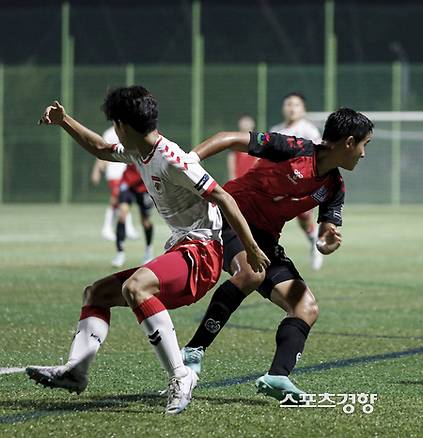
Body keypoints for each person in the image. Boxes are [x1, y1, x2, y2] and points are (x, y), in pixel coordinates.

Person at [29, 86, 269, 415]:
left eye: (114, 124)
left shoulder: (172, 159)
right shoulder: (137, 150)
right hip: (183, 248)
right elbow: (100, 148)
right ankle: (75, 371)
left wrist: (251, 248)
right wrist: (64, 120)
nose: (113, 131)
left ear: (123, 126)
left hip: (202, 252)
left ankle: (181, 376)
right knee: (96, 293)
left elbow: (223, 198)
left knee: (135, 287)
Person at [179, 108, 374, 402]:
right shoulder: (294, 148)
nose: (363, 154)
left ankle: (277, 377)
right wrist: (189, 163)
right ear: (348, 142)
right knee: (251, 273)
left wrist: (326, 243)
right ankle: (193, 351)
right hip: (229, 219)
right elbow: (228, 138)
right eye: (364, 145)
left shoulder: (334, 187)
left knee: (305, 307)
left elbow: (326, 232)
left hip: (266, 240)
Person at [270, 93, 325, 271]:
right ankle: (267, 251)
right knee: (268, 216)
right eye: (288, 104)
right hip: (278, 182)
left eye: (296, 104)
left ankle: (314, 241)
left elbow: (317, 156)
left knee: (303, 215)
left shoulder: (308, 130)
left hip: (301, 181)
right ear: (283, 108)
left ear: (303, 109)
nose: (292, 108)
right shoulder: (276, 129)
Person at [90, 127, 138, 241]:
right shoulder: (109, 133)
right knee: (116, 197)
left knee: (125, 199)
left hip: (126, 173)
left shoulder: (130, 130)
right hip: (114, 173)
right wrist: (96, 170)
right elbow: (102, 151)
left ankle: (128, 228)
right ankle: (106, 228)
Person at [111, 163, 155, 267]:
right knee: (122, 214)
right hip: (128, 183)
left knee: (145, 221)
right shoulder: (129, 147)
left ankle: (149, 250)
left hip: (144, 186)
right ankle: (119, 252)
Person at [226, 114, 259, 180]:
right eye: (244, 120)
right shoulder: (233, 149)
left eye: (248, 120)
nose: (246, 123)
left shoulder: (258, 147)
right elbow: (231, 174)